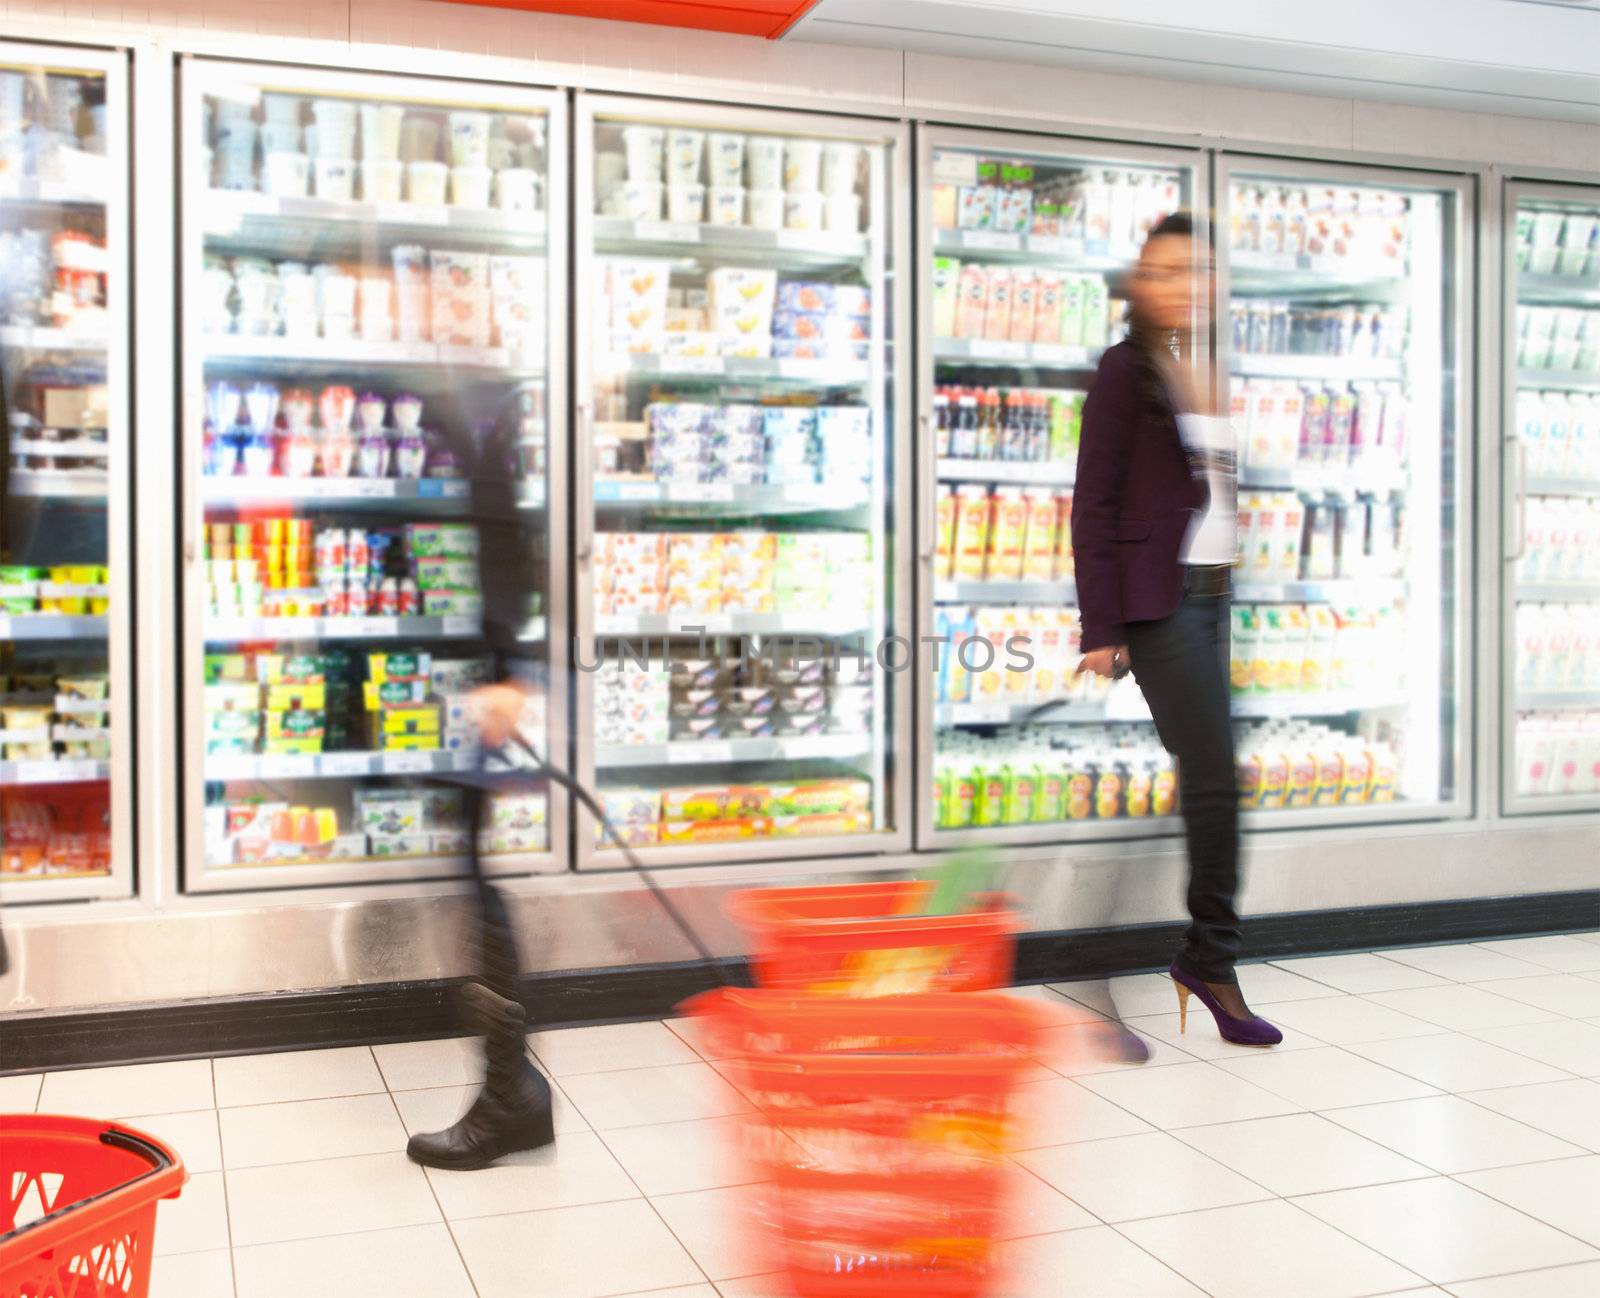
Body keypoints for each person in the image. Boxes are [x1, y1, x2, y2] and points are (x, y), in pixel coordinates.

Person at [1071, 211, 1281, 1047]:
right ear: (1139, 287)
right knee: (1215, 780)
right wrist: (1101, 623)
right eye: (1160, 272)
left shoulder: (1214, 367)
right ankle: (1211, 960)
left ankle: (1198, 958)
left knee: (1206, 781)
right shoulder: (1127, 372)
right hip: (1160, 600)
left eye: (1195, 270)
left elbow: (1210, 489)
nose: (1178, 286)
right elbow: (1094, 502)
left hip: (1214, 596)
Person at [404, 387, 559, 1168]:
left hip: (472, 676)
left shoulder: (460, 380)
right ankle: (515, 1095)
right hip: (451, 668)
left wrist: (510, 663)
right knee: (472, 874)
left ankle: (510, 1099)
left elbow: (503, 519)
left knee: (475, 874)